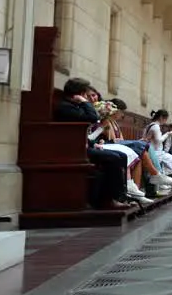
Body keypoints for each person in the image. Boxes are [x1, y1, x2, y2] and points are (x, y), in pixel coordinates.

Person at [55, 79, 133, 210]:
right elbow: (91, 118)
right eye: (85, 94)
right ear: (79, 93)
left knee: (121, 156)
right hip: (73, 149)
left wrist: (92, 143)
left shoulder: (73, 106)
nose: (87, 98)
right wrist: (85, 102)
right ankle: (108, 200)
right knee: (113, 158)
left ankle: (119, 196)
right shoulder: (66, 107)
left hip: (82, 146)